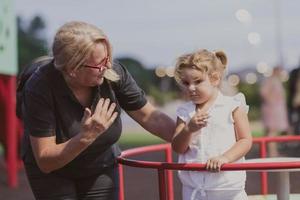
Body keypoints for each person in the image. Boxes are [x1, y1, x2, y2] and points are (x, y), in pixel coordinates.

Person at [20, 21, 175, 200]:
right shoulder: (40, 86)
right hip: (54, 172)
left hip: (99, 165)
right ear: (72, 69)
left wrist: (191, 139)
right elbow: (46, 161)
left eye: (108, 58)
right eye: (99, 64)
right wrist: (86, 137)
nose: (108, 67)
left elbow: (151, 117)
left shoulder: (113, 74)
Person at [171, 49, 252, 200]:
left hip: (228, 190)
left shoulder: (232, 106)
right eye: (186, 83)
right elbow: (177, 147)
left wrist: (224, 158)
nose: (191, 88)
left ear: (215, 79)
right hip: (194, 190)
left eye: (198, 81)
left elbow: (245, 140)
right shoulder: (184, 111)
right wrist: (189, 130)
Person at [260, 66, 289, 156]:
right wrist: (272, 102)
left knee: (272, 132)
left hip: (275, 109)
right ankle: (273, 153)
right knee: (272, 132)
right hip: (273, 110)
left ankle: (272, 152)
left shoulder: (274, 80)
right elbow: (263, 92)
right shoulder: (272, 80)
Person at [287, 62, 300, 135]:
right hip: (295, 101)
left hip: (295, 101)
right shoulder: (295, 72)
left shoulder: (294, 72)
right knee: (294, 120)